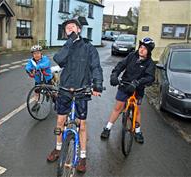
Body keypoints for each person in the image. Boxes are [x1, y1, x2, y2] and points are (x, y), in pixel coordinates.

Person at [46, 16, 103, 173]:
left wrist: (97, 84)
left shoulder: (89, 47)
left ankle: (82, 156)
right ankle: (58, 149)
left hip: (81, 91)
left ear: (79, 29)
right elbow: (59, 60)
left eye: (72, 27)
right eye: (67, 28)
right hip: (65, 89)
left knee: (81, 125)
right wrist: (69, 42)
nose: (69, 29)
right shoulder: (67, 46)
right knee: (60, 122)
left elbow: (96, 67)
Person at [100, 37, 156, 144]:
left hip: (137, 89)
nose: (141, 50)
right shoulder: (131, 56)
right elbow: (121, 65)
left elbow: (150, 77)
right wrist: (114, 75)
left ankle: (138, 131)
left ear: (149, 51)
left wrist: (137, 83)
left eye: (145, 48)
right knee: (118, 108)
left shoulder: (150, 63)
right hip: (125, 85)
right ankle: (107, 128)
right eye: (141, 47)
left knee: (137, 110)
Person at [25, 44, 53, 111]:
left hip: (47, 79)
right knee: (36, 92)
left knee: (52, 92)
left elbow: (46, 64)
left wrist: (37, 67)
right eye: (34, 53)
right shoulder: (31, 61)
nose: (36, 55)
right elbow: (28, 66)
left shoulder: (45, 58)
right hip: (38, 80)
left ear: (41, 53)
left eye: (38, 53)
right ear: (32, 55)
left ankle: (55, 100)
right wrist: (29, 70)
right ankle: (36, 104)